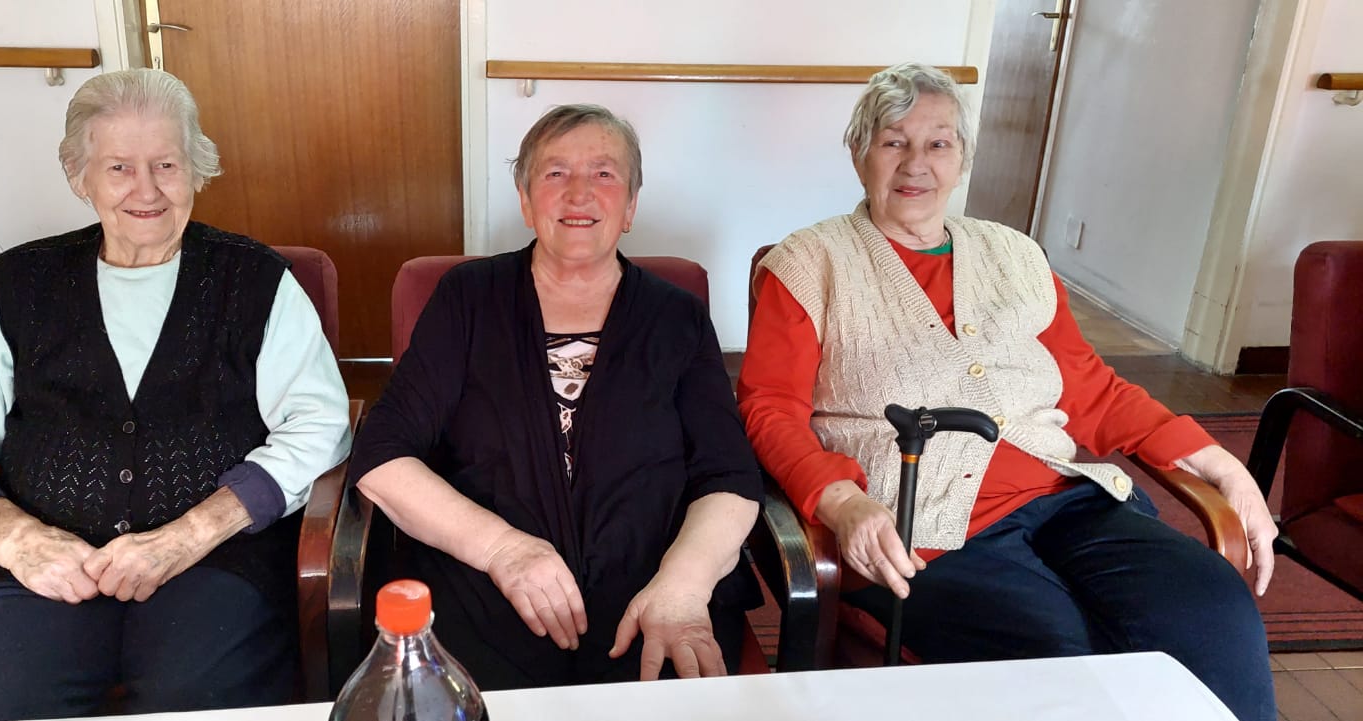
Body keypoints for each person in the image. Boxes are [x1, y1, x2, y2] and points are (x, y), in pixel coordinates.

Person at [737, 62, 1276, 721]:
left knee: (1211, 610)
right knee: (1060, 661)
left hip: (1068, 501)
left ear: (962, 157)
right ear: (858, 153)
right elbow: (769, 410)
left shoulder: (1016, 256)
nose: (916, 163)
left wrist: (1222, 466)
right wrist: (842, 502)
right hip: (925, 531)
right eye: (893, 141)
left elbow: (1093, 391)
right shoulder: (809, 263)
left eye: (938, 143)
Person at [0, 68, 352, 720]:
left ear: (197, 170)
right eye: (118, 168)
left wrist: (189, 534)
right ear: (80, 176)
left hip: (214, 562)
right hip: (42, 564)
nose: (147, 189)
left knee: (201, 703)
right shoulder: (19, 284)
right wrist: (14, 536)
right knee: (10, 702)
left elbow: (320, 423)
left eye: (166, 164)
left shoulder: (255, 281)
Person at [348, 104, 762, 690]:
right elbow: (382, 456)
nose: (579, 193)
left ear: (630, 206)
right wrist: (504, 551)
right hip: (483, 596)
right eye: (555, 173)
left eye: (604, 173)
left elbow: (729, 474)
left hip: (654, 598)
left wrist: (685, 586)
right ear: (525, 200)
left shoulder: (677, 317)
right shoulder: (468, 298)